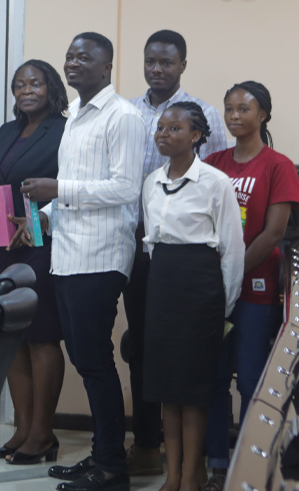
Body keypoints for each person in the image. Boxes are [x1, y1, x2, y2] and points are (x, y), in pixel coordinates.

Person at [21, 32, 144, 491]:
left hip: (101, 255)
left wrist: (58, 191)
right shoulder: (74, 115)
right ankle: (101, 457)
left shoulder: (123, 116)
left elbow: (125, 188)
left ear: (107, 67)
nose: (73, 63)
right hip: (68, 253)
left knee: (95, 362)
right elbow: (76, 183)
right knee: (86, 360)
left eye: (84, 57)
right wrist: (44, 215)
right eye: (70, 56)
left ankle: (112, 468)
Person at [124, 30, 227, 476]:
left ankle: (196, 464)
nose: (156, 69)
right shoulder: (127, 112)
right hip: (145, 246)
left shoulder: (206, 115)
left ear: (182, 64)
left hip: (196, 256)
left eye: (166, 62)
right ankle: (148, 444)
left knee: (194, 365)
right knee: (145, 349)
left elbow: (218, 180)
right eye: (150, 61)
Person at [201, 81, 299, 491]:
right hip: (214, 291)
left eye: (244, 108)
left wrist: (235, 273)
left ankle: (250, 468)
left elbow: (274, 232)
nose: (235, 115)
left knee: (252, 381)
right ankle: (218, 465)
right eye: (229, 108)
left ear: (264, 115)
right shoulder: (214, 161)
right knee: (214, 379)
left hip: (255, 291)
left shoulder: (278, 165)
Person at [141, 102, 243, 491]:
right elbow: (152, 241)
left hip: (200, 290)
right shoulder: (152, 181)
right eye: (160, 128)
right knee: (166, 387)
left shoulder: (216, 182)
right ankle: (172, 475)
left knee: (194, 389)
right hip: (162, 286)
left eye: (174, 129)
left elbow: (232, 252)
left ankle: (190, 478)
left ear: (196, 136)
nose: (163, 135)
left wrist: (223, 304)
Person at [0, 60, 67, 465]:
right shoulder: (6, 130)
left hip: (41, 240)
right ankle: (21, 427)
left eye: (35, 83)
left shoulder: (65, 131)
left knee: (42, 335)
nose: (26, 90)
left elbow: (69, 188)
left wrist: (33, 222)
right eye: (19, 84)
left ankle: (43, 433)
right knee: (12, 335)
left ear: (51, 87)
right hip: (4, 243)